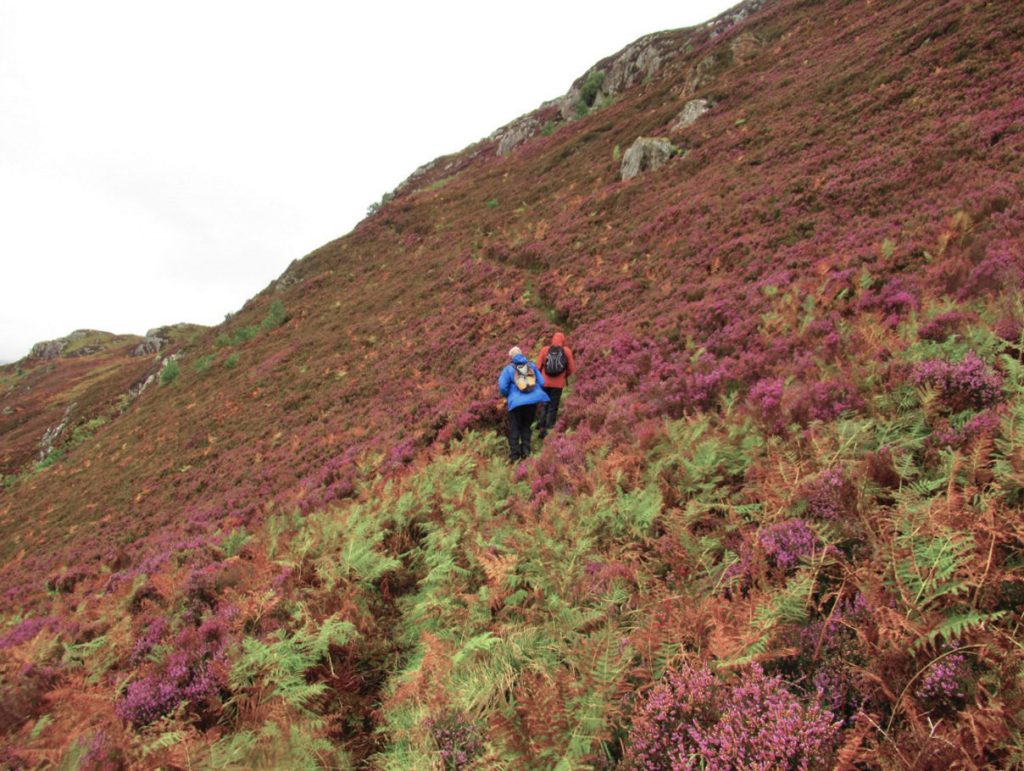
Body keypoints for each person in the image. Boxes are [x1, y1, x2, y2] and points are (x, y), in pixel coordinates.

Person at [498, 346, 550, 463]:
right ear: (521, 354)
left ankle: (514, 456)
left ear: (511, 357)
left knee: (514, 428)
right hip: (531, 403)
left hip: (516, 404)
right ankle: (526, 452)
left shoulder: (508, 369)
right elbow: (542, 382)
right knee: (526, 426)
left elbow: (502, 387)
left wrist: (509, 395)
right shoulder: (531, 365)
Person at [535, 332, 576, 437]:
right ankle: (549, 429)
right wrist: (564, 375)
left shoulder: (545, 350)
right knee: (553, 406)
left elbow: (538, 367)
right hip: (558, 384)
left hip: (545, 383)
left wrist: (540, 379)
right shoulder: (566, 351)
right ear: (563, 340)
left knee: (545, 405)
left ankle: (541, 427)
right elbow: (572, 368)